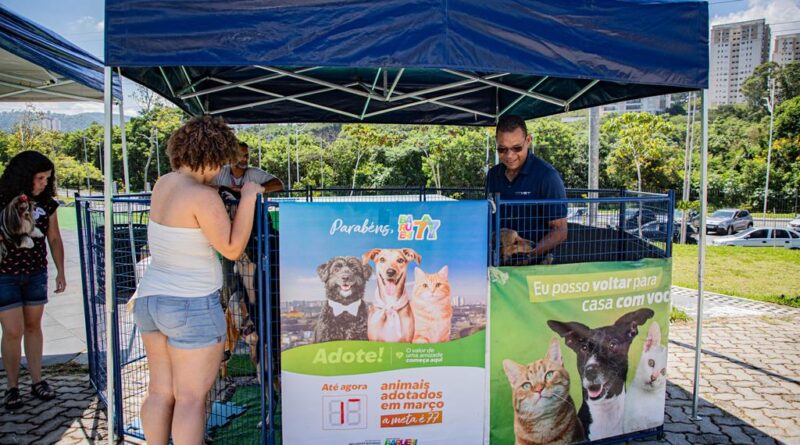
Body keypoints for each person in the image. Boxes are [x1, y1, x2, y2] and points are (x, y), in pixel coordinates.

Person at [131, 116, 263, 445]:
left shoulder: (165, 183)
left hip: (150, 301)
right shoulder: (203, 198)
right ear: (215, 155)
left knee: (161, 392)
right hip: (192, 305)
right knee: (191, 398)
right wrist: (248, 197)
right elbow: (232, 249)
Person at [0, 151, 65, 410]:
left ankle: (37, 380)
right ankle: (12, 386)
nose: (43, 184)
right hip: (5, 274)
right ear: (24, 177)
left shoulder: (48, 204)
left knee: (33, 326)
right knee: (12, 331)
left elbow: (55, 238)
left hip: (36, 271)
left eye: (47, 179)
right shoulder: (3, 199)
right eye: (39, 178)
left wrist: (61, 270)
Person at [486, 115, 568, 259]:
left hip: (534, 268)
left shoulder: (547, 176)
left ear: (528, 140)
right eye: (502, 149)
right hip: (497, 264)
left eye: (517, 148)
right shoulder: (493, 175)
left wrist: (530, 254)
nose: (510, 155)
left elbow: (560, 230)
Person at [212, 141, 283, 192]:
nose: (245, 159)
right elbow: (204, 186)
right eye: (240, 155)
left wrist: (256, 189)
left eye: (246, 155)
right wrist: (225, 189)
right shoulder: (220, 172)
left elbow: (279, 184)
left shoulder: (254, 173)